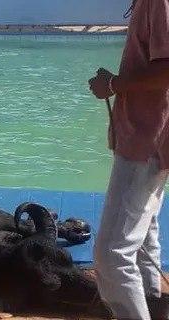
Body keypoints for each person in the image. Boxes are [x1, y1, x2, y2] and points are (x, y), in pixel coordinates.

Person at [88, 0, 169, 318]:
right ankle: (155, 306)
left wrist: (113, 84)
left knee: (111, 255)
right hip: (150, 139)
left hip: (146, 141)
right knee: (144, 237)